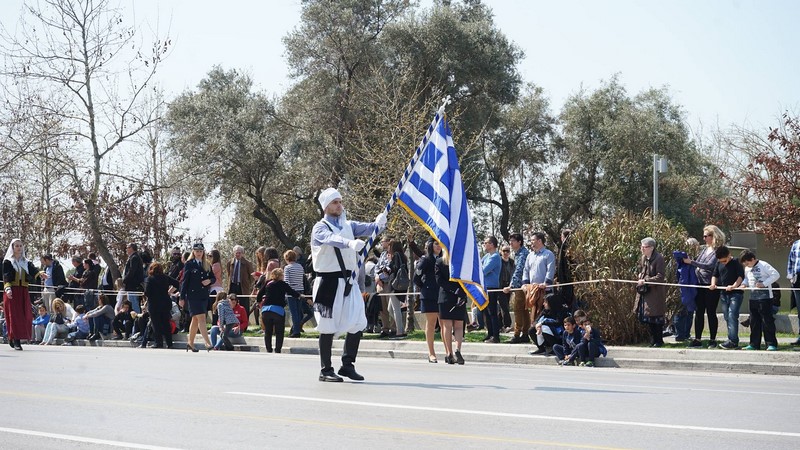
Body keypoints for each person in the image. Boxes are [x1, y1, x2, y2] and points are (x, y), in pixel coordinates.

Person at [311, 187, 386, 382]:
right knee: (327, 325)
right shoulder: (320, 227)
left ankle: (347, 364)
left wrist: (379, 224)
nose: (339, 205)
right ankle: (326, 369)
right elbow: (330, 239)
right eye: (335, 202)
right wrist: (349, 243)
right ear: (326, 206)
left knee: (358, 321)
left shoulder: (349, 225)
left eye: (340, 202)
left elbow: (369, 229)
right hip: (327, 282)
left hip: (348, 281)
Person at [682, 225, 724, 348]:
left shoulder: (718, 250)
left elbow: (709, 265)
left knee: (711, 312)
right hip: (699, 283)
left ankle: (712, 339)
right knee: (699, 311)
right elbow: (698, 261)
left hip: (711, 285)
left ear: (713, 236)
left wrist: (692, 262)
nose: (704, 238)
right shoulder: (705, 249)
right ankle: (698, 339)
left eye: (706, 236)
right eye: (704, 236)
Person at [3, 238, 45, 350]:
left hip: (23, 291)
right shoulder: (8, 262)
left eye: (20, 246)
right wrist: (8, 288)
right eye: (16, 246)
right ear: (12, 248)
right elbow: (6, 276)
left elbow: (34, 270)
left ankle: (13, 337)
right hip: (12, 291)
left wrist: (41, 274)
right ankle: (16, 340)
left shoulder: (26, 262)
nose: (19, 248)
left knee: (26, 315)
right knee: (14, 316)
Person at [740, 250, 780, 351]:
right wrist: (744, 284)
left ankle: (771, 344)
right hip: (753, 298)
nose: (746, 265)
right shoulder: (747, 268)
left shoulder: (764, 265)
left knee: (767, 321)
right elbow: (746, 279)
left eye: (747, 263)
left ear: (752, 259)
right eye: (745, 264)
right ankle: (754, 344)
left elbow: (776, 275)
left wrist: (764, 284)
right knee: (753, 321)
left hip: (765, 298)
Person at [180, 242, 215, 352]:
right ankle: (207, 343)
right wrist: (182, 297)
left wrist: (209, 281)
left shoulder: (206, 264)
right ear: (193, 252)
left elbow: (213, 278)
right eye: (197, 251)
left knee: (195, 320)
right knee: (201, 318)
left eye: (200, 251)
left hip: (203, 295)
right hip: (193, 296)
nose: (199, 253)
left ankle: (190, 343)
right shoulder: (189, 264)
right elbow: (185, 281)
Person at [710, 246, 745, 349]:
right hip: (723, 294)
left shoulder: (736, 262)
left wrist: (734, 286)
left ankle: (733, 341)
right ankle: (730, 338)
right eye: (721, 261)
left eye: (725, 261)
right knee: (726, 316)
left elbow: (740, 276)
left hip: (736, 294)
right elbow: (715, 275)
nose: (723, 263)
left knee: (732, 315)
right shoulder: (718, 263)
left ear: (729, 255)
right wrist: (713, 284)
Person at [258, 268, 300, 353]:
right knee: (279, 332)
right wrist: (299, 296)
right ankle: (277, 349)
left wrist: (259, 302)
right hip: (278, 310)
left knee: (268, 331)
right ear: (280, 276)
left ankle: (269, 349)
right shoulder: (283, 284)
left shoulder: (268, 283)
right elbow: (292, 292)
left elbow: (259, 294)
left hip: (266, 310)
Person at [414, 238, 442, 363]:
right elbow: (416, 277)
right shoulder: (425, 259)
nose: (438, 246)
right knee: (431, 323)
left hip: (442, 294)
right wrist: (426, 286)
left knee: (444, 323)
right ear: (430, 245)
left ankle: (449, 352)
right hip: (429, 294)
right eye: (436, 244)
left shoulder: (444, 259)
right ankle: (431, 353)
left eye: (440, 244)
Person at [635, 237, 667, 347]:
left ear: (652, 248)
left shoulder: (659, 258)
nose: (642, 249)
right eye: (641, 247)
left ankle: (659, 340)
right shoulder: (644, 258)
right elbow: (642, 271)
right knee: (649, 318)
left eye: (645, 247)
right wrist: (641, 276)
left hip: (655, 293)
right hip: (646, 293)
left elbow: (660, 276)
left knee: (656, 317)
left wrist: (646, 281)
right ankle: (653, 340)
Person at [436, 253, 466, 365]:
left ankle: (449, 353)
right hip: (460, 295)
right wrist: (459, 291)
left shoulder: (439, 261)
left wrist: (453, 290)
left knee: (446, 326)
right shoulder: (462, 260)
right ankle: (458, 349)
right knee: (459, 326)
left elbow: (439, 280)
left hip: (445, 296)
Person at [521, 232, 556, 330]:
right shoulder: (530, 256)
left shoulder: (548, 254)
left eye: (533, 240)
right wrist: (525, 284)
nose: (531, 243)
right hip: (533, 292)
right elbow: (526, 270)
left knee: (544, 315)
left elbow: (550, 270)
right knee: (534, 315)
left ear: (540, 241)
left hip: (545, 291)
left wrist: (546, 283)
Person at [144, 261, 180, 349]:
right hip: (165, 303)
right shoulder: (165, 277)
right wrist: (169, 292)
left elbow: (147, 292)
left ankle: (159, 343)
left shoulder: (149, 279)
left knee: (156, 324)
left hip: (154, 304)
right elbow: (177, 283)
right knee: (166, 323)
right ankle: (169, 343)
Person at [504, 233, 530, 343]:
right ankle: (525, 333)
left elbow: (519, 270)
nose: (511, 243)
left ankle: (517, 334)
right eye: (510, 241)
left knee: (518, 309)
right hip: (520, 286)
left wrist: (511, 285)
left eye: (513, 241)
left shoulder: (523, 254)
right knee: (523, 310)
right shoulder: (517, 254)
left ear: (519, 242)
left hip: (520, 286)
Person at [283, 249, 310, 338]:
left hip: (291, 292)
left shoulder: (287, 268)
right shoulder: (300, 267)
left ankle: (296, 331)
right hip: (300, 290)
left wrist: (285, 292)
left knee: (293, 312)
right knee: (298, 312)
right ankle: (296, 329)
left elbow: (286, 282)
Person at [374, 236, 396, 337]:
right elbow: (377, 267)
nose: (382, 243)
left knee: (391, 307)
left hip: (389, 283)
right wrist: (377, 277)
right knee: (382, 308)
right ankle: (385, 328)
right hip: (380, 284)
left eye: (383, 241)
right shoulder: (383, 254)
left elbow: (389, 269)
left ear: (388, 242)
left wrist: (381, 275)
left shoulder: (393, 254)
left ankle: (394, 328)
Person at [481, 236, 502, 343]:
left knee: (492, 312)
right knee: (486, 312)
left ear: (492, 244)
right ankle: (490, 333)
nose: (484, 245)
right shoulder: (486, 256)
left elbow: (484, 270)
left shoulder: (495, 257)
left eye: (486, 243)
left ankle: (496, 336)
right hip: (484, 287)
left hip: (491, 287)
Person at [227, 245, 255, 316]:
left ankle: (245, 321)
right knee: (231, 304)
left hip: (242, 287)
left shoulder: (247, 263)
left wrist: (247, 284)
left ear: (242, 253)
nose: (238, 254)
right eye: (236, 253)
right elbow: (229, 274)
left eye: (239, 253)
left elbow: (252, 276)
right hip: (233, 286)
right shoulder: (230, 263)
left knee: (244, 305)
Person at [787, 222, 800, 346]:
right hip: (797, 279)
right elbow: (791, 261)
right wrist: (790, 276)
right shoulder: (795, 244)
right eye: (798, 228)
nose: (799, 229)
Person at [122, 243, 145, 314]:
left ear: (131, 248)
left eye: (128, 247)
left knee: (134, 304)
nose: (126, 249)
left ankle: (137, 319)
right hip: (132, 285)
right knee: (132, 303)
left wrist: (125, 280)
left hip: (133, 285)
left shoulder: (134, 257)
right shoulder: (133, 257)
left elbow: (132, 271)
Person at [498, 244, 515, 332]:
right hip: (500, 286)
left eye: (507, 251)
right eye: (504, 251)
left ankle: (500, 325)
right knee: (504, 306)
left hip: (509, 286)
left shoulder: (512, 262)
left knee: (505, 306)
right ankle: (507, 325)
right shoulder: (498, 261)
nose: (505, 253)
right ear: (501, 251)